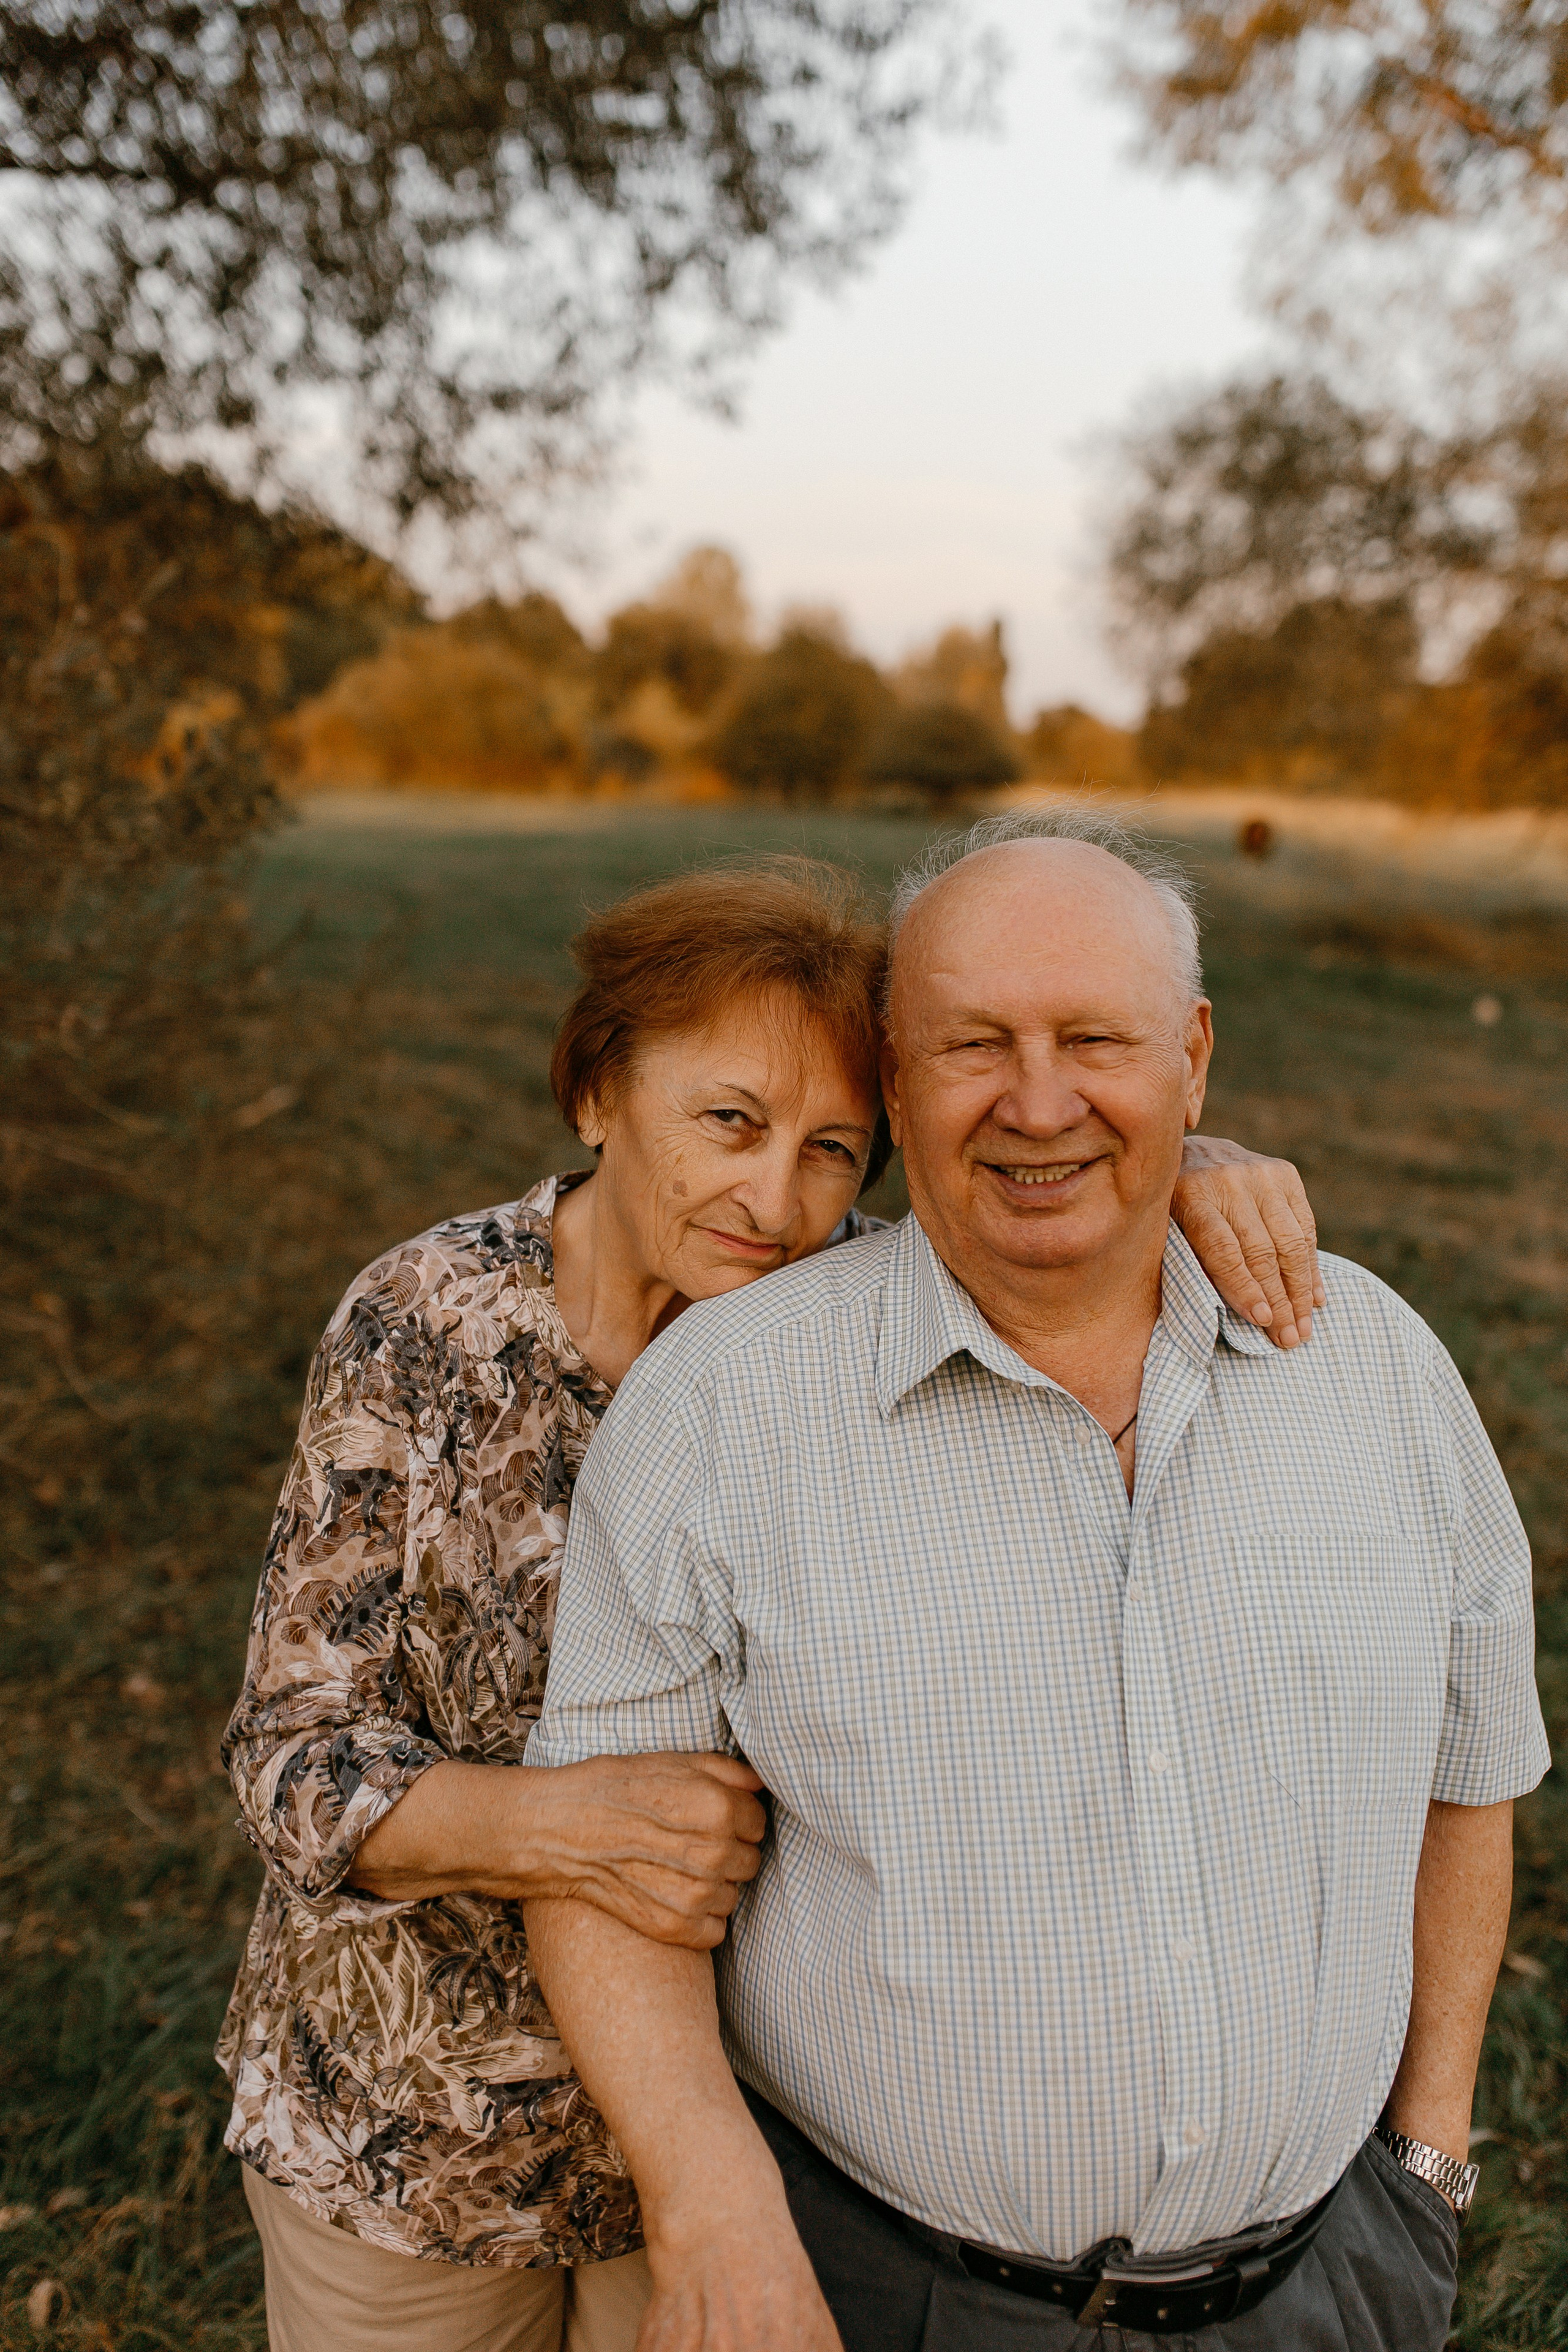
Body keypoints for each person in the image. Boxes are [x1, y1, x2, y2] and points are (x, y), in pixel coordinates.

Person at [219, 852, 1323, 2352]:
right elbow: (291, 1757)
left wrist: (1200, 1163)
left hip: (723, 2134)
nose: (772, 1198)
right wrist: (562, 1828)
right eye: (727, 1123)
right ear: (598, 1090)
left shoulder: (854, 1317)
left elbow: (1046, 1181)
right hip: (413, 2131)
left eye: (829, 1149)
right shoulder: (424, 1325)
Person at [524, 814, 1551, 2352]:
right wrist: (712, 2215)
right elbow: (609, 1870)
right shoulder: (724, 1408)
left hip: (1331, 2285)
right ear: (892, 1072)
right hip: (888, 2298)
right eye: (971, 1044)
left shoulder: (1378, 1369)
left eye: (1095, 1038)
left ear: (1192, 1060)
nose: (1038, 1100)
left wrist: (1427, 2160)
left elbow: (1470, 1774)